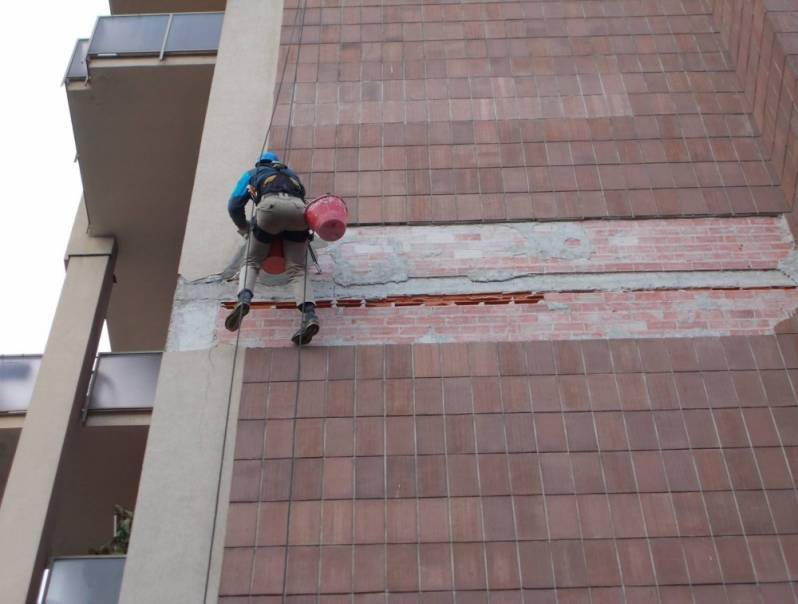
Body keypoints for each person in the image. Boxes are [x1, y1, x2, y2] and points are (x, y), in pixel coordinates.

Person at [225, 151, 320, 345]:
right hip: (299, 212)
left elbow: (234, 205)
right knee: (297, 269)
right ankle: (310, 315)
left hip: (269, 209)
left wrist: (245, 229)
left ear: (261, 161)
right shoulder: (291, 175)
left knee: (251, 261)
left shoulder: (254, 172)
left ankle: (243, 299)